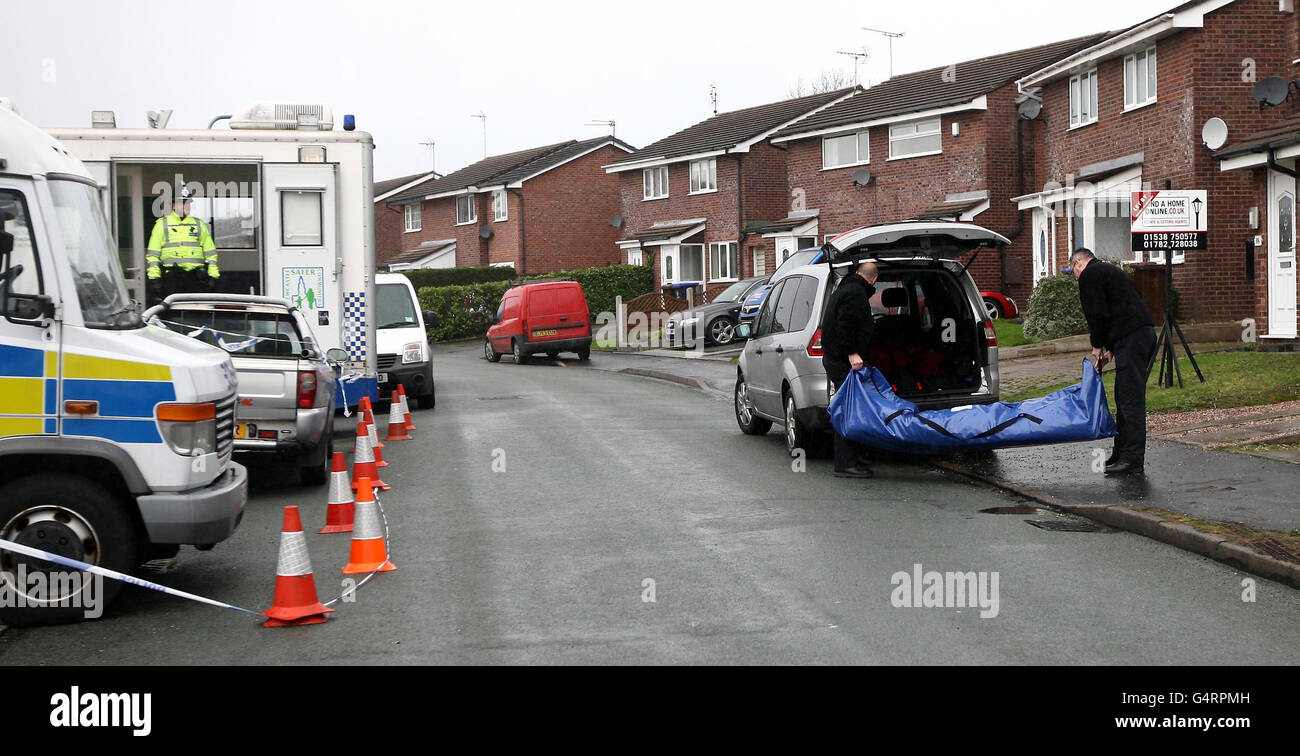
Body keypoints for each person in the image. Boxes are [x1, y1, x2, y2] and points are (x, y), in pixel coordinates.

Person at [1069, 248, 1156, 475]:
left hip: (1133, 338)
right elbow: (1120, 310)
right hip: (1136, 336)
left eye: (1073, 272)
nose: (1076, 278)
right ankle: (1121, 453)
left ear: (1078, 263)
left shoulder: (1090, 274)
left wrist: (1097, 346)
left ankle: (1132, 459)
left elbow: (1096, 313)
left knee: (1130, 400)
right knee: (1123, 396)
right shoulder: (1109, 271)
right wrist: (1113, 350)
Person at [822, 260, 879, 478]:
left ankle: (856, 457)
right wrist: (852, 352)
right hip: (843, 361)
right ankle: (845, 463)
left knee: (853, 408)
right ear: (874, 278)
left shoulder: (846, 288)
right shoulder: (855, 293)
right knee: (847, 409)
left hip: (837, 359)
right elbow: (844, 325)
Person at [146, 186, 218, 303]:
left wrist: (213, 276)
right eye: (183, 203)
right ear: (174, 205)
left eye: (188, 203)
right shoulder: (161, 225)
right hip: (171, 281)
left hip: (196, 281)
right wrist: (155, 280)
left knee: (196, 316)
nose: (186, 206)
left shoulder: (199, 225)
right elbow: (153, 256)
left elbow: (211, 254)